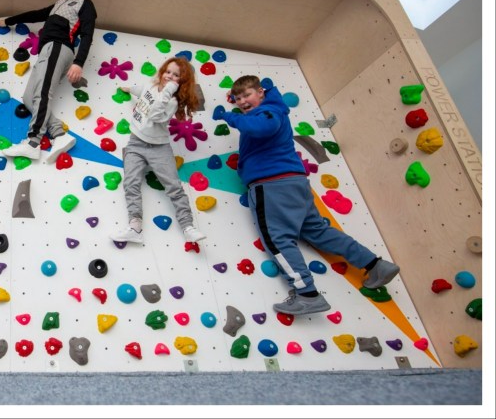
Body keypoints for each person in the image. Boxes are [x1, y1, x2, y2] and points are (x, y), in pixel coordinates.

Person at [214, 75, 400, 315]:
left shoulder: (268, 113)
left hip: (271, 185)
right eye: (237, 99)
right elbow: (257, 117)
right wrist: (242, 103)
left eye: (247, 95)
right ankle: (375, 265)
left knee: (277, 239)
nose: (242, 101)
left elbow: (260, 127)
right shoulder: (274, 108)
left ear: (261, 92)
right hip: (294, 183)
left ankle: (306, 294)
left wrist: (229, 116)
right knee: (318, 231)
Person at [0, 0, 97, 164]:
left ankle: (33, 142)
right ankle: (59, 135)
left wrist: (78, 63)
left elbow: (87, 35)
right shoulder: (59, 3)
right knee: (29, 98)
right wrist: (10, 21)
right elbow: (36, 14)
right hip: (47, 51)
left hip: (59, 48)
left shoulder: (85, 5)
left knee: (43, 93)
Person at [110, 57, 206, 245]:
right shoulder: (151, 86)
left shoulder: (171, 101)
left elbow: (154, 114)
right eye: (168, 71)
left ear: (181, 81)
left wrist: (170, 90)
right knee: (131, 183)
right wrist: (130, 89)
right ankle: (135, 227)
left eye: (176, 75)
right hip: (135, 143)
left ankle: (188, 227)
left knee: (174, 187)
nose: (169, 76)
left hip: (159, 147)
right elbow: (143, 92)